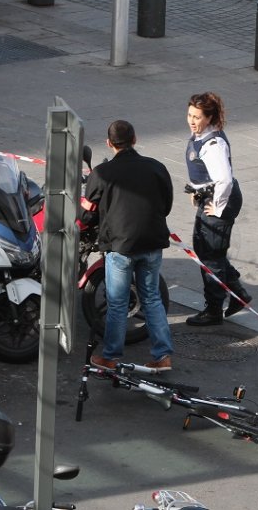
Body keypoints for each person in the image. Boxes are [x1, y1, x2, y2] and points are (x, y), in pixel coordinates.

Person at [84, 120, 174, 372]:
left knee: (117, 302)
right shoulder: (157, 168)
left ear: (109, 143)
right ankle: (163, 355)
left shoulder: (101, 173)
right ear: (135, 139)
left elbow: (87, 208)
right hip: (152, 243)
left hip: (120, 246)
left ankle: (111, 356)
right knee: (152, 298)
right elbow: (166, 205)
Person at [183, 92, 252, 326]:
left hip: (219, 199)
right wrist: (196, 191)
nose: (192, 121)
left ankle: (214, 310)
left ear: (210, 118)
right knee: (208, 250)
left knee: (209, 254)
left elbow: (224, 180)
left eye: (198, 117)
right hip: (209, 197)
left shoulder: (214, 144)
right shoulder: (201, 135)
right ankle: (238, 294)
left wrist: (218, 208)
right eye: (190, 115)